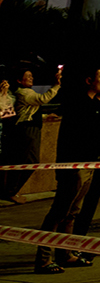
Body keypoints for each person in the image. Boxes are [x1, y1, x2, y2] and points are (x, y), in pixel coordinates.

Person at [34, 67, 100, 274]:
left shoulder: (93, 104)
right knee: (60, 210)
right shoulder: (79, 103)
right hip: (74, 165)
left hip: (89, 163)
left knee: (73, 212)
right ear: (89, 80)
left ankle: (65, 252)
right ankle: (44, 258)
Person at [2, 67, 58, 204]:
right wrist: (57, 85)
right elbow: (42, 99)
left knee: (26, 162)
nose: (31, 78)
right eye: (28, 76)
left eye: (31, 75)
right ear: (19, 80)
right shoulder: (23, 92)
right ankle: (10, 191)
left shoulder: (22, 93)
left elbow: (25, 112)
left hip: (27, 128)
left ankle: (11, 191)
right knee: (26, 162)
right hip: (26, 130)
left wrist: (44, 117)